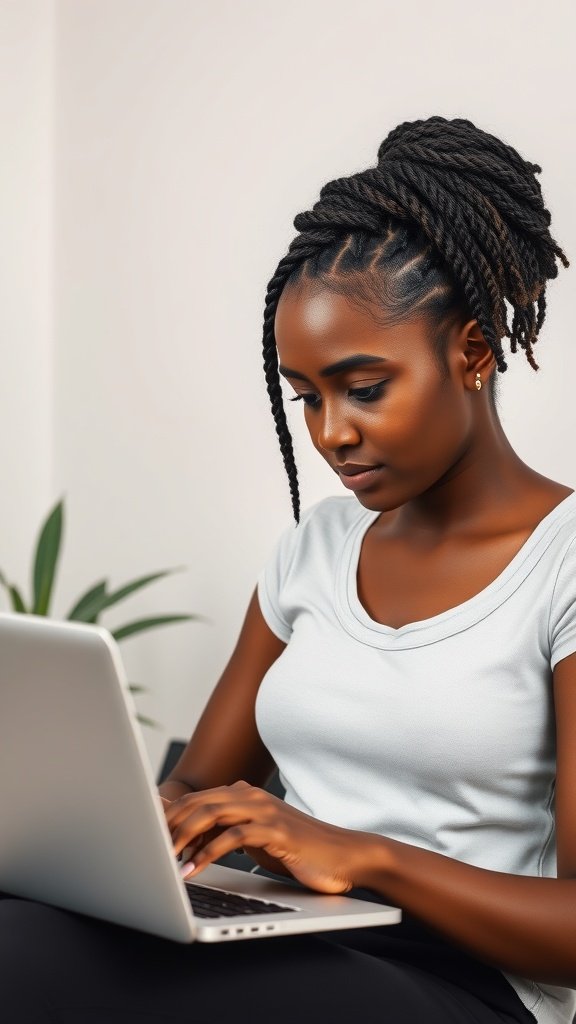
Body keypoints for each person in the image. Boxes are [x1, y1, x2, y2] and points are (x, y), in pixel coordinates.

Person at [1, 115, 575, 1024]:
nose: (329, 433)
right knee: (21, 938)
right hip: (295, 931)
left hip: (466, 981)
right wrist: (134, 827)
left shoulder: (564, 565)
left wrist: (361, 853)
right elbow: (195, 782)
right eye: (305, 396)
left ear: (470, 353)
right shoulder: (311, 552)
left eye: (365, 388)